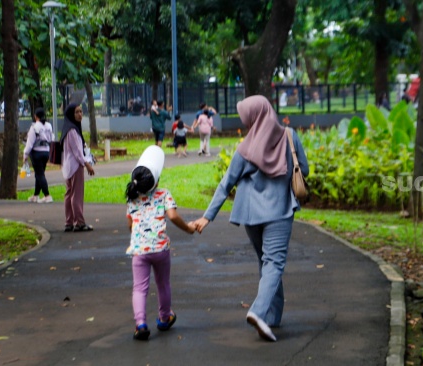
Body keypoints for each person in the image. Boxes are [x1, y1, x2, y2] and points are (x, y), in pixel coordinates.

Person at [192, 95, 309, 342]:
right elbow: (304, 170)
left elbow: (226, 184)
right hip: (279, 211)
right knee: (274, 264)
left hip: (251, 215)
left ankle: (273, 316)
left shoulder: (245, 148)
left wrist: (207, 217)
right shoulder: (290, 136)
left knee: (265, 263)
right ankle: (257, 312)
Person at [125, 146, 196, 340]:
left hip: (139, 251)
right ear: (156, 179)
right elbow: (172, 216)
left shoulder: (132, 198)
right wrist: (188, 228)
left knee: (139, 288)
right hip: (160, 249)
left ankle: (140, 324)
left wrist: (139, 237)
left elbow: (130, 225)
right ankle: (165, 318)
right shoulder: (164, 194)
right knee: (163, 284)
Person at [61, 103, 95, 232]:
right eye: (77, 112)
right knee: (76, 194)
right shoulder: (72, 131)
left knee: (69, 194)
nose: (80, 115)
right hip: (76, 166)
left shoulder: (68, 128)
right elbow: (77, 152)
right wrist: (87, 165)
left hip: (68, 166)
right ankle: (79, 222)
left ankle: (69, 222)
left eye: (81, 112)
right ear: (71, 114)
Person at [23, 107, 54, 203]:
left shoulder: (34, 127)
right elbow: (51, 138)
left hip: (36, 153)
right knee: (39, 174)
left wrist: (25, 154)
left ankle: (47, 195)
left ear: (35, 116)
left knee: (40, 174)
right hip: (46, 152)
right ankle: (35, 195)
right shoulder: (48, 126)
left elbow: (30, 142)